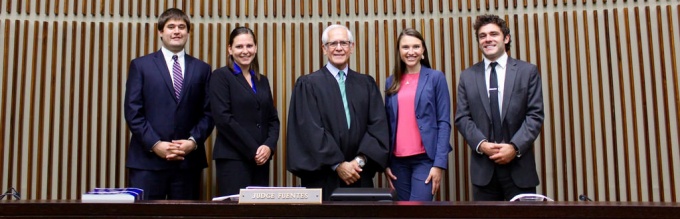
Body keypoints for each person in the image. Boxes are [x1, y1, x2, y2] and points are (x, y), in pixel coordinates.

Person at [286, 24, 390, 200]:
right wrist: (338, 164)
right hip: (322, 178)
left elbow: (377, 127)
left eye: (344, 43)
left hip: (358, 175)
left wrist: (357, 162)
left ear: (352, 47)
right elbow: (310, 131)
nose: (339, 48)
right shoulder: (308, 85)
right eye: (333, 43)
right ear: (324, 49)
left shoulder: (366, 84)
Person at [124, 8, 214, 200]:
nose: (176, 31)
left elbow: (208, 113)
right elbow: (133, 111)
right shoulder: (141, 66)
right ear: (160, 31)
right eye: (171, 26)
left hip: (187, 163)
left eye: (182, 27)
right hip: (147, 163)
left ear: (188, 33)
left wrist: (193, 142)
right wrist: (155, 144)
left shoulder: (202, 69)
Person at [454, 14, 544, 201]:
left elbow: (535, 115)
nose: (488, 39)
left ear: (506, 38)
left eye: (494, 34)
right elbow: (462, 118)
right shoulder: (467, 76)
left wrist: (514, 147)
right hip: (484, 172)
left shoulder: (527, 72)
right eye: (482, 36)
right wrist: (482, 145)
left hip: (520, 168)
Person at [209, 26, 280, 196]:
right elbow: (223, 119)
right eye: (239, 46)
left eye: (249, 46)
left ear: (255, 48)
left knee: (258, 212)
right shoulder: (221, 76)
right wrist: (254, 149)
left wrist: (268, 146)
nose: (245, 51)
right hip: (233, 159)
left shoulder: (262, 80)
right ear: (230, 49)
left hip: (261, 160)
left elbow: (273, 119)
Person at [383, 28, 452, 201]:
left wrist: (439, 165)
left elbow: (444, 122)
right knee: (402, 213)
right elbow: (386, 124)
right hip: (397, 162)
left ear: (423, 51)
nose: (411, 52)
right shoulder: (391, 81)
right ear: (399, 51)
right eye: (405, 47)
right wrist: (385, 163)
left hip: (425, 160)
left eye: (416, 47)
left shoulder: (436, 77)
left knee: (418, 211)